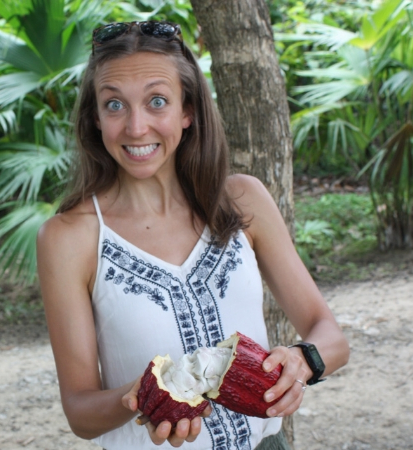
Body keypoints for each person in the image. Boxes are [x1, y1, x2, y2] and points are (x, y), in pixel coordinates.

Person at [36, 21, 349, 450]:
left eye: (157, 101)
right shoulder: (69, 237)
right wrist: (146, 395)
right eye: (114, 105)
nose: (136, 126)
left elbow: (329, 335)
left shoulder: (242, 199)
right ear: (95, 118)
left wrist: (302, 361)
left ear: (188, 111)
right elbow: (81, 412)